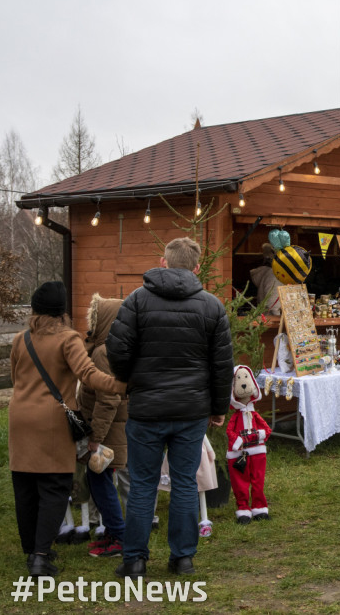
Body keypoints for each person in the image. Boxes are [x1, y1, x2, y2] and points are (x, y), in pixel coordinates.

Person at [106, 237, 234, 578]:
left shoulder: (136, 300)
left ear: (163, 261)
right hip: (191, 411)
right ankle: (182, 558)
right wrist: (219, 408)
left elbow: (116, 351)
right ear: (195, 268)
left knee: (143, 484)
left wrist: (129, 380)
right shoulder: (211, 306)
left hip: (147, 408)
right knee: (184, 483)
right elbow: (222, 365)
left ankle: (134, 560)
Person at [8, 281, 124, 578]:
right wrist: (119, 385)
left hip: (20, 418)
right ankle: (40, 557)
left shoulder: (21, 340)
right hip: (52, 423)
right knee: (54, 489)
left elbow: (15, 378)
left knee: (26, 489)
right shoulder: (68, 339)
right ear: (62, 312)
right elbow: (88, 374)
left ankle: (32, 548)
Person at [80, 293, 129, 559]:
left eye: (94, 318)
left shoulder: (102, 352)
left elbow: (108, 398)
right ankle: (112, 533)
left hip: (107, 432)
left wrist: (95, 438)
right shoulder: (117, 347)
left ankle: (118, 536)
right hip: (115, 428)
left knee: (99, 480)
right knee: (102, 480)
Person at [248, 242, 282, 315]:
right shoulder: (274, 276)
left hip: (267, 321)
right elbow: (274, 308)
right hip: (273, 322)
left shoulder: (270, 275)